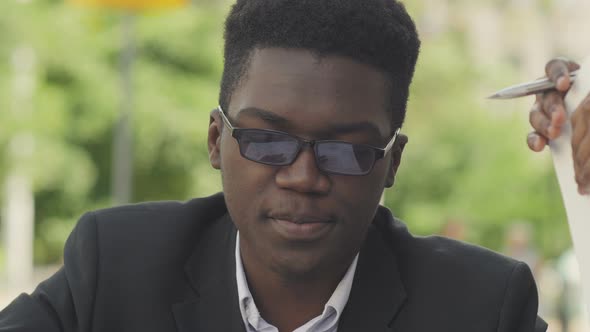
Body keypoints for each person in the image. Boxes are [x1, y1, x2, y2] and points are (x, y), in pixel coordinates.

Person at [5, 0, 588, 331]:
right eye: (266, 139)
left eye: (348, 149)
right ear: (216, 140)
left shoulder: (479, 308)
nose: (303, 177)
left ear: (392, 162)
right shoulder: (115, 270)